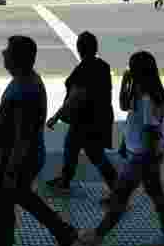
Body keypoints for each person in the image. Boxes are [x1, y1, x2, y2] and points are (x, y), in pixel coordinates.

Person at [0, 35, 78, 246]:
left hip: (20, 158)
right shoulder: (25, 80)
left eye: (7, 50)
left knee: (1, 203)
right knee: (19, 197)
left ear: (18, 58)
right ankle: (64, 232)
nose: (3, 53)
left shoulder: (26, 90)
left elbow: (23, 135)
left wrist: (11, 167)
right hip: (18, 154)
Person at [78, 51, 164, 246]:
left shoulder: (147, 98)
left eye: (131, 68)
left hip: (143, 155)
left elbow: (150, 130)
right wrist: (126, 83)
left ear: (138, 71)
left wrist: (144, 161)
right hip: (145, 153)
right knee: (156, 195)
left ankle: (96, 237)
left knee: (120, 198)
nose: (129, 70)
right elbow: (126, 108)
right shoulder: (145, 90)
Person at [44, 32, 118, 197]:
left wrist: (55, 117)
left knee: (95, 154)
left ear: (79, 49)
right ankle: (65, 179)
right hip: (100, 117)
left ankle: (117, 189)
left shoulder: (83, 70)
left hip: (85, 121)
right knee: (71, 146)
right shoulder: (103, 66)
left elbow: (75, 98)